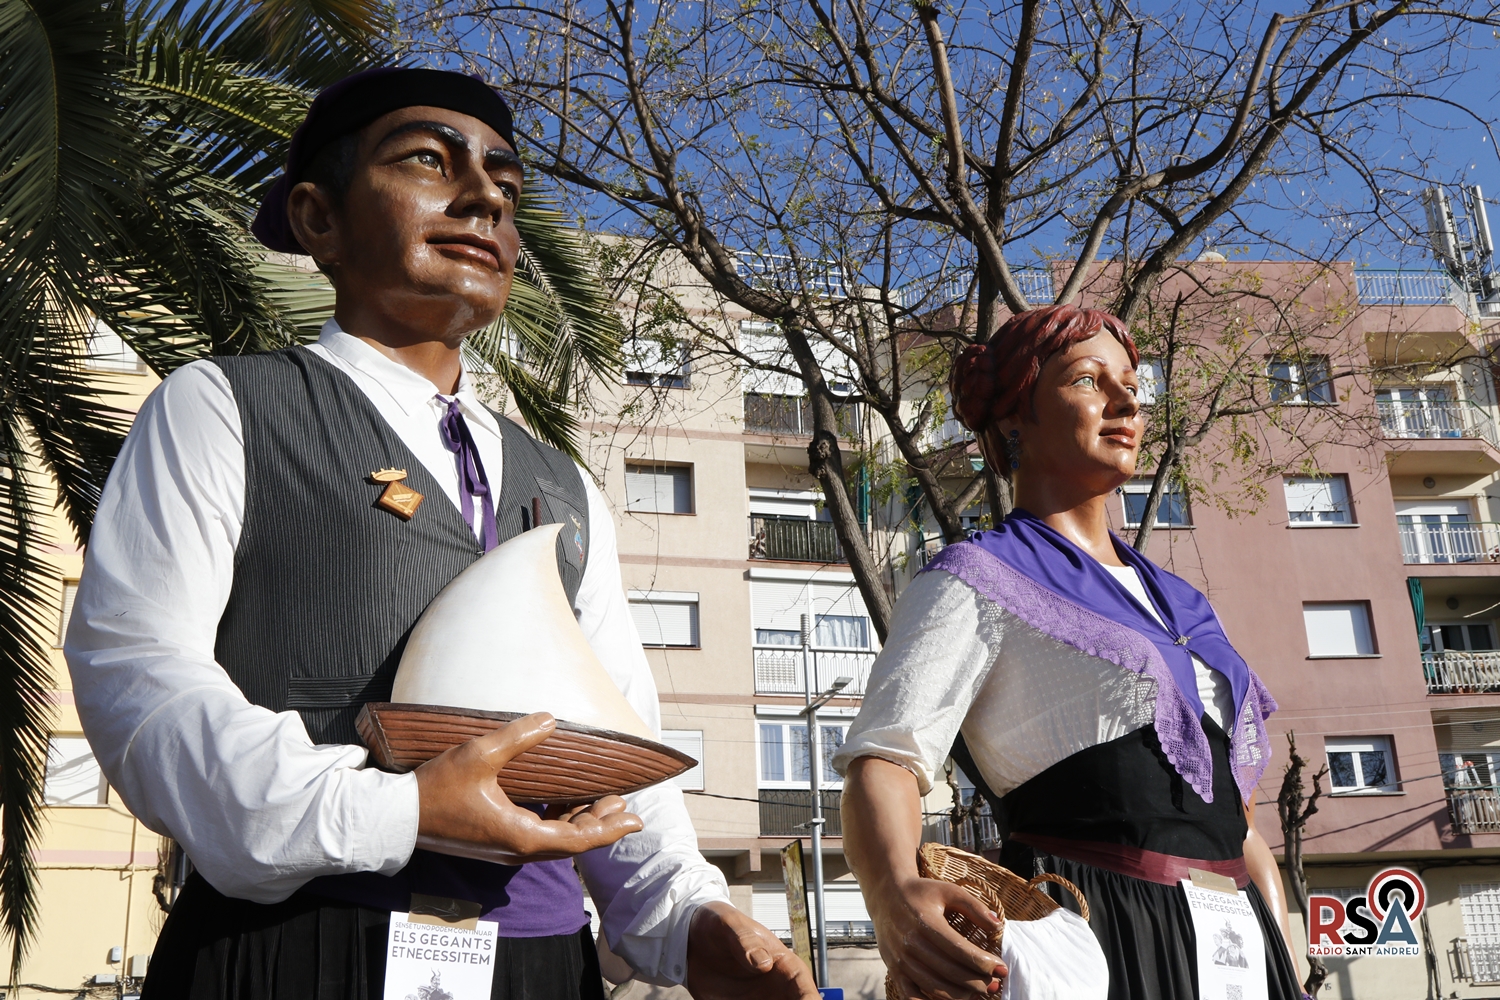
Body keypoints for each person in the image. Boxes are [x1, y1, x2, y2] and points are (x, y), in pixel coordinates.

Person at [65, 67, 815, 1000]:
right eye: (429, 160)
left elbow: (620, 745)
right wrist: (397, 809)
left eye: (507, 183)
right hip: (296, 952)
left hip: (544, 968)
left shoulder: (565, 485)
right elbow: (140, 680)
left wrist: (690, 918)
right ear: (318, 218)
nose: (484, 198)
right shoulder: (224, 409)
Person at [833, 304, 1304, 1000]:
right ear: (1014, 417)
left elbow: (1242, 829)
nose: (1126, 401)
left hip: (1239, 944)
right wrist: (892, 892)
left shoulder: (1187, 604)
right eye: (1087, 379)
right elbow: (886, 758)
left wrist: (1288, 967)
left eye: (1131, 384)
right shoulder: (977, 580)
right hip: (1098, 935)